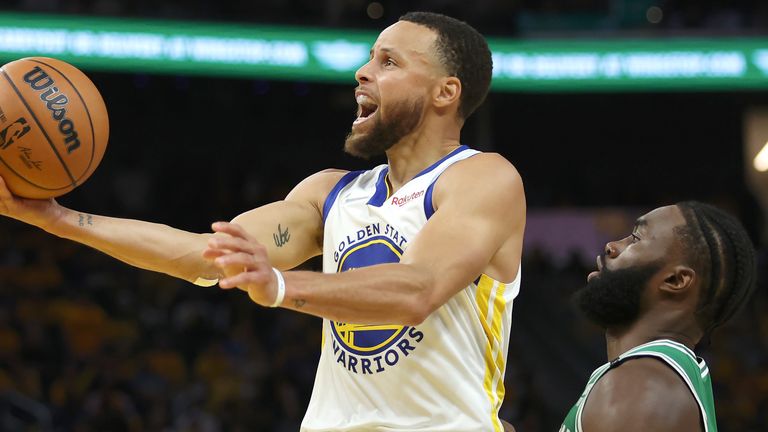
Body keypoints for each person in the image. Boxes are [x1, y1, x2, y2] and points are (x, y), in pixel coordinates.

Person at [0, 12, 526, 432]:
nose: (363, 72)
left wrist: (277, 284)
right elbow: (199, 257)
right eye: (368, 58)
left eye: (388, 62)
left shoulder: (482, 178)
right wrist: (55, 218)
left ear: (445, 92)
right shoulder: (332, 192)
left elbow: (418, 290)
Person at [560, 201, 756, 432]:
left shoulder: (640, 391)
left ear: (675, 280)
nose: (611, 246)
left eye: (635, 238)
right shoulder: (658, 381)